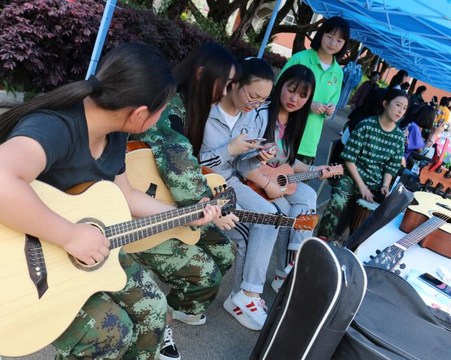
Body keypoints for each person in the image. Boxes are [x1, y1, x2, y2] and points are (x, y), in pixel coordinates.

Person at [0, 42, 218, 359]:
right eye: (161, 112)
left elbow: (127, 196)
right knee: (111, 334)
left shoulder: (115, 134)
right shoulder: (55, 127)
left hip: (84, 249)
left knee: (155, 311)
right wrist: (69, 234)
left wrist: (185, 214)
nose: (160, 120)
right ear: (141, 113)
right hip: (23, 271)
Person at [129, 42, 238, 360]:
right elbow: (179, 168)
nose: (228, 90)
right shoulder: (169, 107)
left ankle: (177, 308)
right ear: (203, 74)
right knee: (205, 270)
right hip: (137, 211)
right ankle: (156, 316)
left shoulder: (189, 105)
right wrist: (209, 207)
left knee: (223, 250)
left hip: (170, 204)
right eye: (226, 82)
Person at [199, 58, 279, 331]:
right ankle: (243, 297)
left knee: (271, 216)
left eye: (262, 100)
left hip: (230, 181)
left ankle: (248, 294)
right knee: (247, 232)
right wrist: (229, 150)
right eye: (253, 96)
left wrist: (258, 158)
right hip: (204, 184)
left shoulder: (250, 117)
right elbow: (191, 163)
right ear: (235, 84)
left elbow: (242, 167)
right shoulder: (206, 112)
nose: (255, 104)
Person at [244, 64, 332, 293]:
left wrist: (315, 169)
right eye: (291, 90)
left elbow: (288, 162)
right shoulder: (262, 113)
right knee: (285, 214)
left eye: (303, 95)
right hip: (253, 181)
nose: (295, 99)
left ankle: (294, 259)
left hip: (275, 179)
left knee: (309, 195)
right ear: (280, 85)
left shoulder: (294, 122)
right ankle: (286, 270)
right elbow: (244, 156)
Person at [317, 89, 407, 240]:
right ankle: (322, 238)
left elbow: (391, 166)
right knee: (338, 200)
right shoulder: (365, 125)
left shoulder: (398, 137)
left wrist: (385, 185)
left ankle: (350, 245)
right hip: (350, 176)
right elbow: (349, 158)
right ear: (385, 104)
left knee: (387, 213)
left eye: (404, 108)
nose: (400, 111)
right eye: (398, 105)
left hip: (375, 182)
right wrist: (362, 186)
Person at [279, 16, 350, 164]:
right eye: (329, 37)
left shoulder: (338, 72)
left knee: (296, 185)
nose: (332, 43)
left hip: (309, 143)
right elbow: (277, 89)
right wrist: (308, 104)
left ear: (344, 44)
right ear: (321, 34)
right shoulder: (301, 58)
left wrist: (330, 111)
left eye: (339, 41)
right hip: (283, 134)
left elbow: (331, 106)